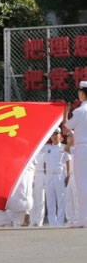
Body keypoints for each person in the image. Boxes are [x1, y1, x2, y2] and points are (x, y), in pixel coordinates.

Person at [64, 80, 87, 228]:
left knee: (82, 183)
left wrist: (65, 112)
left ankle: (83, 218)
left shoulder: (79, 111)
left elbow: (66, 130)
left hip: (83, 148)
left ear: (83, 93)